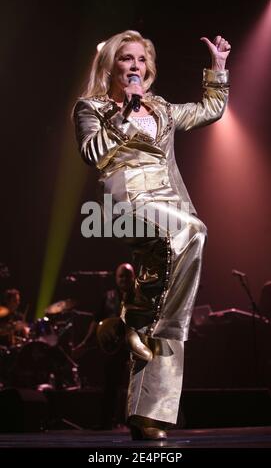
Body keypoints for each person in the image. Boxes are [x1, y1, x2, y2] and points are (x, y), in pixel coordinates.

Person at [73, 30, 230, 440]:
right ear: (111, 65)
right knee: (195, 233)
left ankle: (147, 414)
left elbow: (210, 110)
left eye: (141, 60)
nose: (135, 67)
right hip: (125, 204)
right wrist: (124, 116)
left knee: (161, 297)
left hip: (169, 205)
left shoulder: (161, 107)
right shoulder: (91, 107)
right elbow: (91, 153)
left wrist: (218, 69)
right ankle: (134, 320)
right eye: (126, 59)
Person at [73, 263, 135, 429]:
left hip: (134, 347)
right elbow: (96, 320)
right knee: (110, 386)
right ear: (116, 278)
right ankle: (106, 423)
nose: (124, 279)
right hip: (113, 348)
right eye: (121, 276)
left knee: (135, 387)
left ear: (133, 277)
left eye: (127, 275)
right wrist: (85, 343)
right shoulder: (109, 297)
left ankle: (134, 423)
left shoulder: (140, 296)